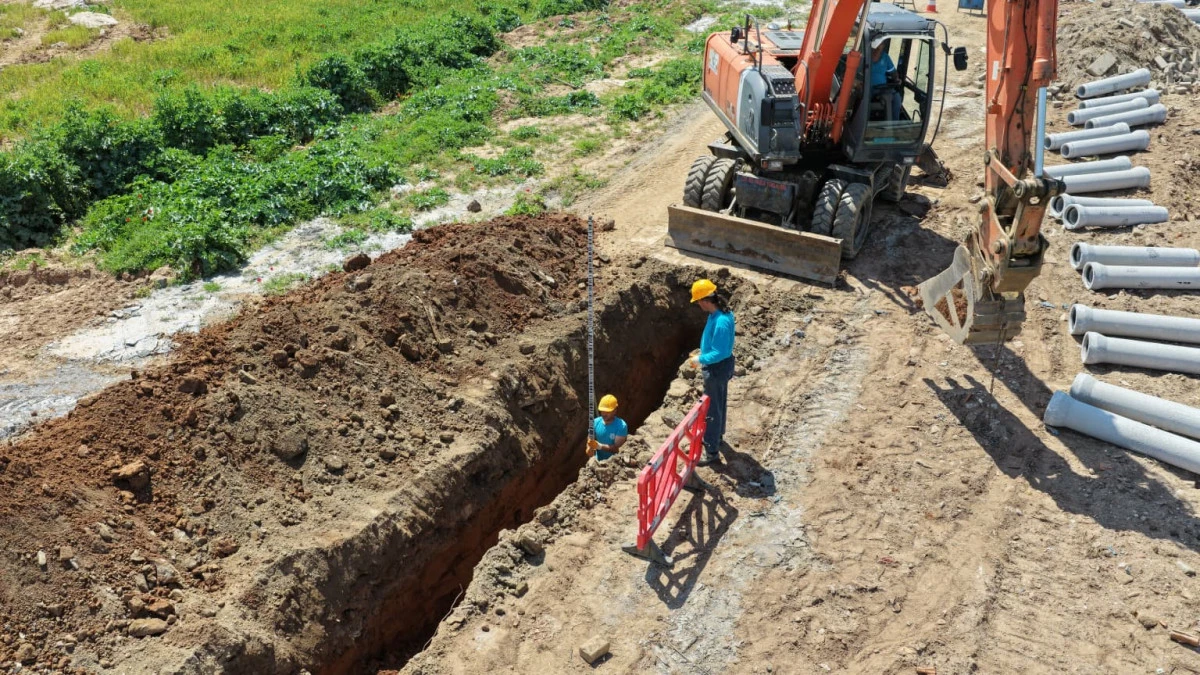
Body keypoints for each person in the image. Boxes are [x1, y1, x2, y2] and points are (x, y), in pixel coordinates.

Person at [687, 279, 735, 466]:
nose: (698, 304)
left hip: (717, 368)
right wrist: (703, 353)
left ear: (706, 300)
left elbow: (720, 352)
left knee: (712, 410)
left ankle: (712, 451)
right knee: (719, 402)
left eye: (698, 301)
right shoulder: (719, 313)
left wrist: (700, 360)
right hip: (720, 366)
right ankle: (718, 437)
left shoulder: (721, 321)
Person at [588, 394, 628, 462]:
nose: (604, 414)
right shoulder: (595, 422)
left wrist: (599, 446)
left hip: (614, 463)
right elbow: (590, 437)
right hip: (598, 461)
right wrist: (588, 447)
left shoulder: (621, 426)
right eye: (602, 411)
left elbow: (617, 449)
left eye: (607, 411)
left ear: (615, 410)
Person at [870, 41, 903, 120]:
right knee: (863, 101)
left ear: (883, 46)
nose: (878, 46)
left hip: (883, 89)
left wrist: (896, 78)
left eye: (881, 44)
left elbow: (893, 72)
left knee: (896, 97)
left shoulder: (885, 57)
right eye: (877, 43)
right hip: (867, 88)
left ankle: (894, 124)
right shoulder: (865, 55)